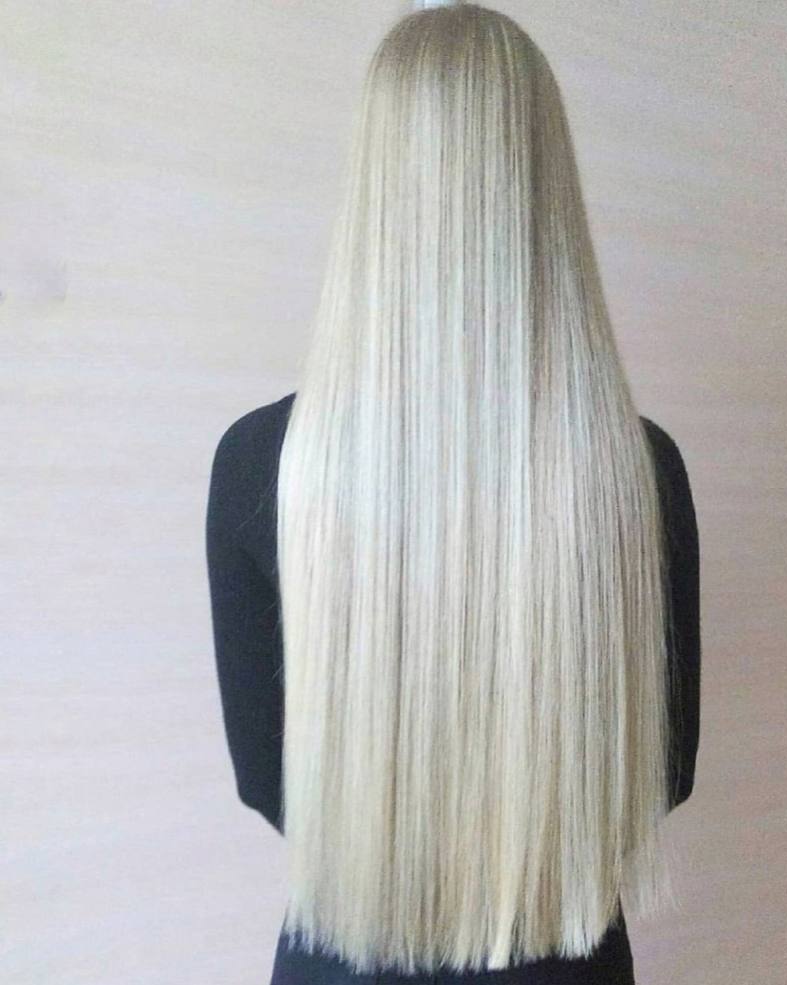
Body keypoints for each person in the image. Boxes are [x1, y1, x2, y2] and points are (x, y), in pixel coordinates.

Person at [205, 4, 701, 984]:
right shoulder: (636, 468)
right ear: (545, 187)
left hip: (345, 951)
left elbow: (268, 776)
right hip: (566, 954)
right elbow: (661, 769)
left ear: (376, 185)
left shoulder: (265, 461)